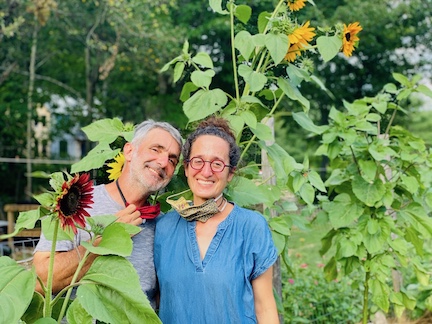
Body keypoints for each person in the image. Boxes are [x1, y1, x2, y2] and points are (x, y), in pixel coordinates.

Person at [33, 119, 182, 309]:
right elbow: (39, 281)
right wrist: (105, 241)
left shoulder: (163, 224)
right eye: (155, 149)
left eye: (172, 159)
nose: (163, 162)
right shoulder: (76, 203)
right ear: (129, 151)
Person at [154, 116, 279, 323]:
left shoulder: (251, 227)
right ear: (186, 168)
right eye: (198, 161)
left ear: (230, 174)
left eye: (217, 164)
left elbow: (265, 309)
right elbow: (160, 301)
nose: (206, 171)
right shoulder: (164, 228)